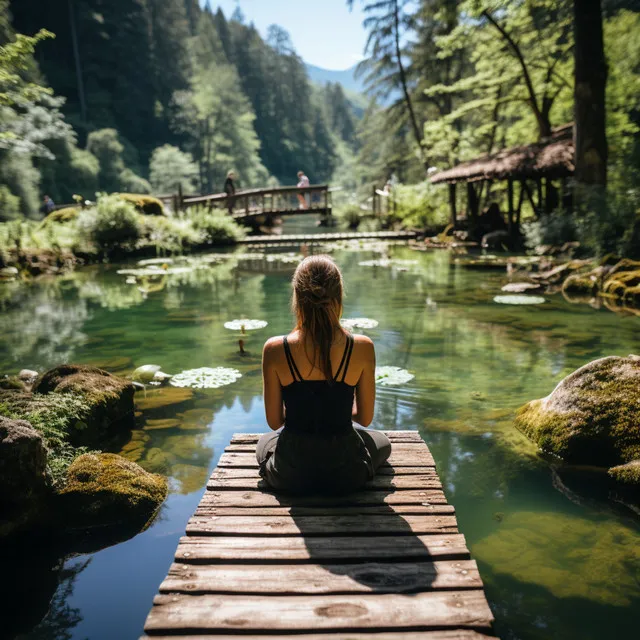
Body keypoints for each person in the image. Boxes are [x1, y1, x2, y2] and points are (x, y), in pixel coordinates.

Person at [257, 255, 392, 495]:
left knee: (265, 443)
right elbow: (365, 418)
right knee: (381, 441)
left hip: (291, 474)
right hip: (347, 473)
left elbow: (275, 422)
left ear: (297, 298)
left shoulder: (275, 349)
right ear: (338, 296)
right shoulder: (361, 346)